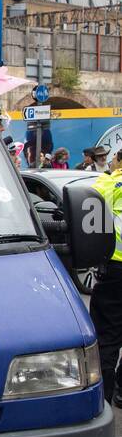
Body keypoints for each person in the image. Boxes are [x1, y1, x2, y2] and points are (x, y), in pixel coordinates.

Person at [89, 148, 122, 405]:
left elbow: (88, 208)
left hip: (116, 269)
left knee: (108, 337)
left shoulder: (108, 182)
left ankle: (103, 401)